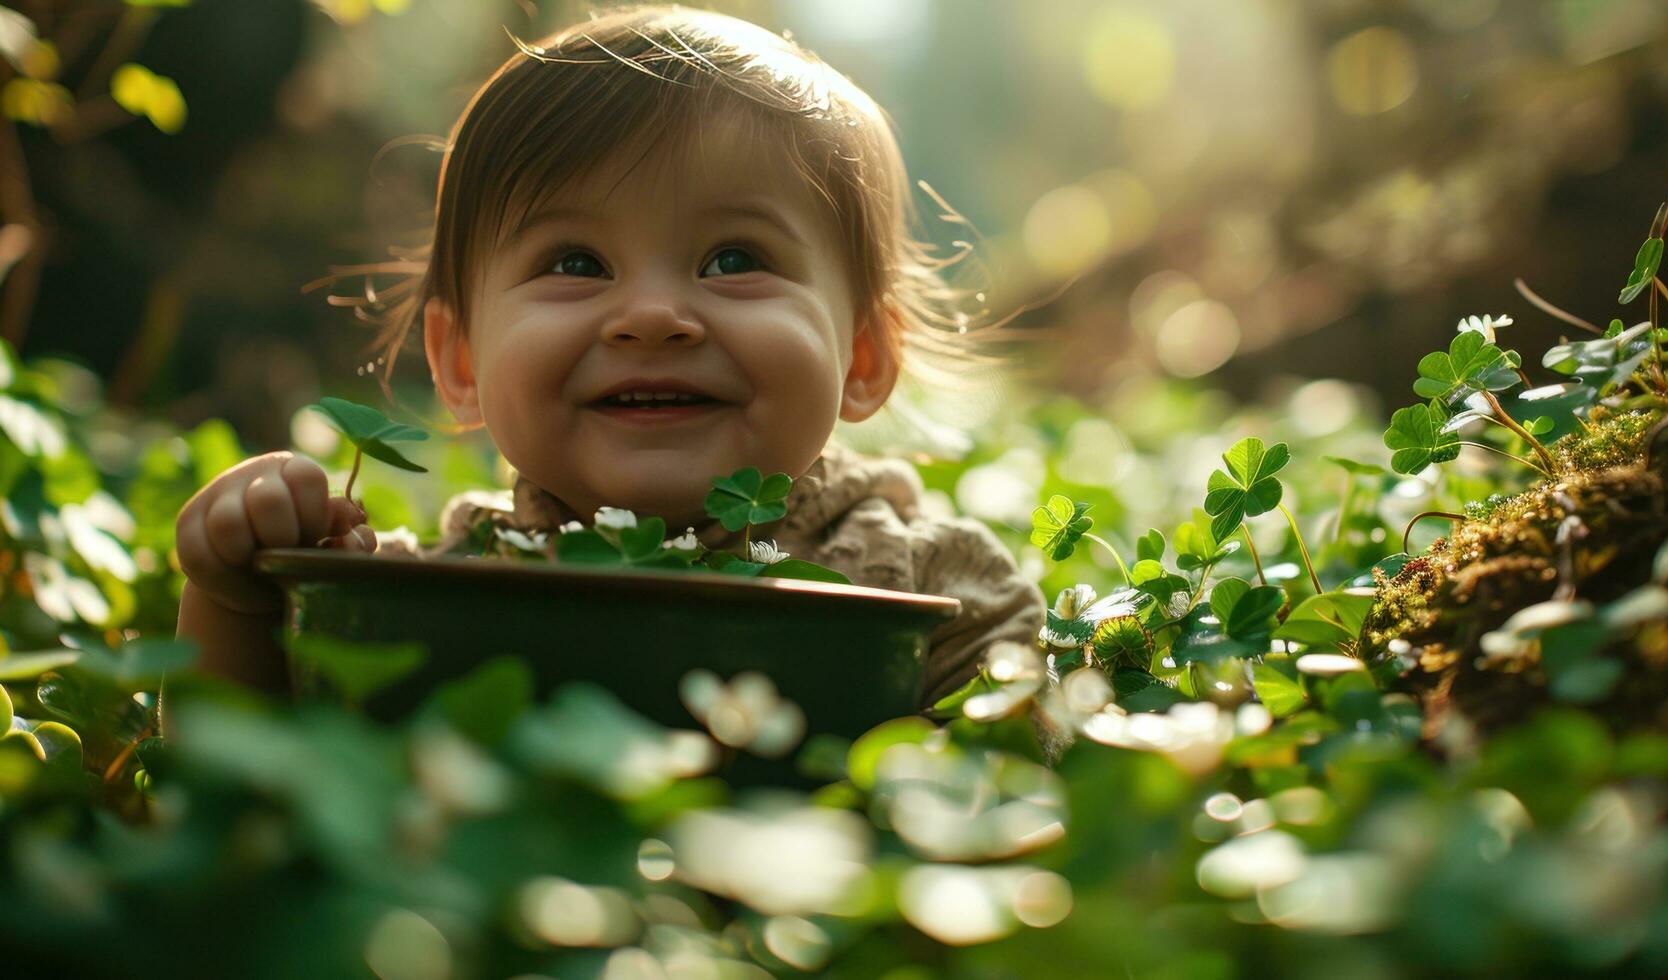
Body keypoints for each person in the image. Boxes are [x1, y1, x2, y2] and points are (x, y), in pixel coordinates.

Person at [174, 4, 1044, 708]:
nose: (654, 317)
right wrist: (238, 603)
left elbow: (1024, 808)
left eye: (733, 260)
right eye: (576, 264)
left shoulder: (937, 586)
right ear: (462, 359)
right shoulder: (431, 593)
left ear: (863, 355)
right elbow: (244, 780)